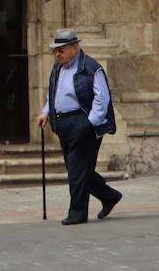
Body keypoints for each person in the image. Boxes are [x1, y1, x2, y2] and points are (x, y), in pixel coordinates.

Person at [35, 29, 121, 225]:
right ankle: (109, 196)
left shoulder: (90, 67)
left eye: (61, 50)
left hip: (83, 122)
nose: (57, 54)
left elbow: (102, 99)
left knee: (76, 171)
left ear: (75, 48)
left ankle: (77, 213)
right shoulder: (58, 68)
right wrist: (46, 111)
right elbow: (53, 93)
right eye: (55, 50)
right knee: (79, 169)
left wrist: (89, 123)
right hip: (63, 123)